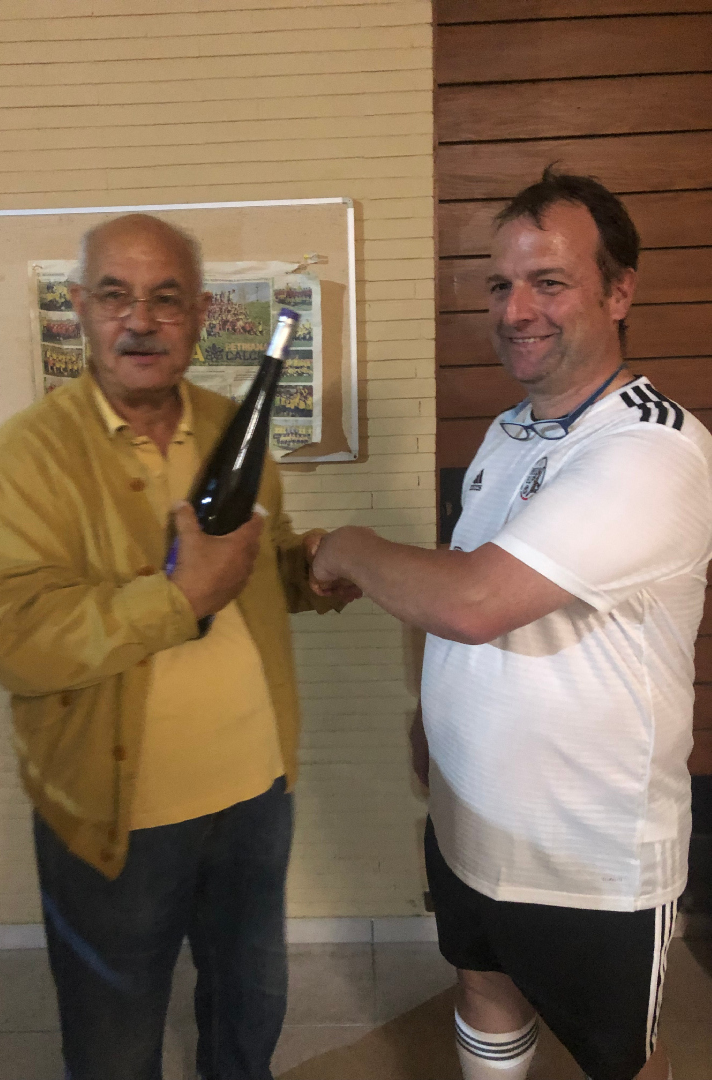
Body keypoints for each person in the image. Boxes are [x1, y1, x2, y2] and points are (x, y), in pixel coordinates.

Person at [311, 169, 712, 1080]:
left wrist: (346, 547)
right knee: (483, 984)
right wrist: (430, 714)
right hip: (472, 820)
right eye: (501, 284)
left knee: (621, 1059)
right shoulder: (509, 431)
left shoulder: (652, 447)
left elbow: (475, 601)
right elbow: (467, 577)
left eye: (549, 282)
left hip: (589, 858)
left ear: (619, 291)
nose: (516, 310)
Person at [0, 213, 357, 1080]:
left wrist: (312, 572)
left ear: (202, 313)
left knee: (250, 1009)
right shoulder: (24, 459)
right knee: (114, 1040)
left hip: (255, 794)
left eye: (166, 299)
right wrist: (178, 601)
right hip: (117, 815)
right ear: (78, 307)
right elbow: (11, 637)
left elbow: (261, 562)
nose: (139, 320)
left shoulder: (232, 426)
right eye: (115, 295)